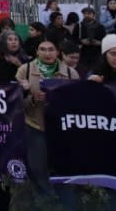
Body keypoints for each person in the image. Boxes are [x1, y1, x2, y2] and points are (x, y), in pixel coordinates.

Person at [16, 38, 79, 201]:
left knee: (62, 167)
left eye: (51, 49)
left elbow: (79, 103)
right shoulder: (25, 70)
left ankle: (66, 201)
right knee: (37, 166)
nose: (47, 53)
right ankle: (45, 201)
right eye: (43, 49)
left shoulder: (71, 73)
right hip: (35, 125)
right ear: (37, 52)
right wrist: (33, 99)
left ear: (57, 52)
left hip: (62, 127)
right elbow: (15, 104)